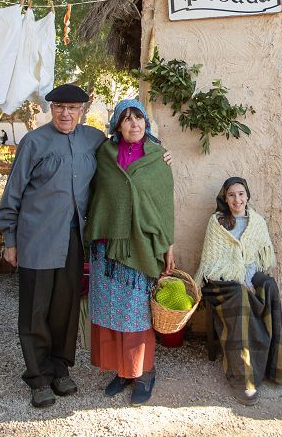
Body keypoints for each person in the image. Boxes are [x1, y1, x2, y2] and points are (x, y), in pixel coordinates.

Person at [0, 83, 104, 408]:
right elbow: (12, 192)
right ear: (51, 109)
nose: (66, 113)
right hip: (37, 239)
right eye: (59, 107)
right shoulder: (33, 142)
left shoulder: (93, 140)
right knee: (35, 310)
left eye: (72, 108)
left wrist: (157, 148)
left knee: (65, 309)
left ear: (82, 110)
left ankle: (60, 368)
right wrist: (10, 240)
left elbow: (129, 145)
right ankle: (38, 377)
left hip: (73, 240)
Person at [84, 99, 175, 405]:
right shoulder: (105, 155)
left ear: (145, 123)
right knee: (110, 311)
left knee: (137, 315)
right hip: (106, 249)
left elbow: (164, 207)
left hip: (139, 248)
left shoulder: (158, 158)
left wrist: (168, 247)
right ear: (117, 126)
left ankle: (144, 373)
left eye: (139, 118)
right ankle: (122, 371)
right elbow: (94, 193)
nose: (134, 124)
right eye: (127, 119)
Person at [195, 177, 282, 406]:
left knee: (270, 287)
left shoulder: (256, 222)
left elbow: (256, 260)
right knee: (240, 295)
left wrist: (247, 280)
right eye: (232, 195)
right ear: (225, 199)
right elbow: (211, 263)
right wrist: (239, 281)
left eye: (241, 194)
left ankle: (271, 366)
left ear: (248, 196)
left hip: (248, 275)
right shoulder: (217, 222)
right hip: (220, 281)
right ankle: (243, 379)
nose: (237, 199)